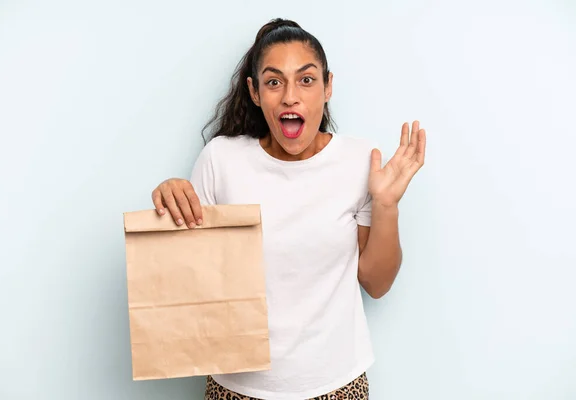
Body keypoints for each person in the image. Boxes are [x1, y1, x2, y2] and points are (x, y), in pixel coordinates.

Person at [151, 18, 426, 400]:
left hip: (336, 385)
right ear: (255, 91)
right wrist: (170, 200)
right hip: (236, 387)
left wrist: (387, 205)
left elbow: (376, 284)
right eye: (274, 81)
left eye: (307, 80)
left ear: (328, 86)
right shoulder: (222, 159)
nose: (290, 97)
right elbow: (191, 279)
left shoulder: (360, 161)